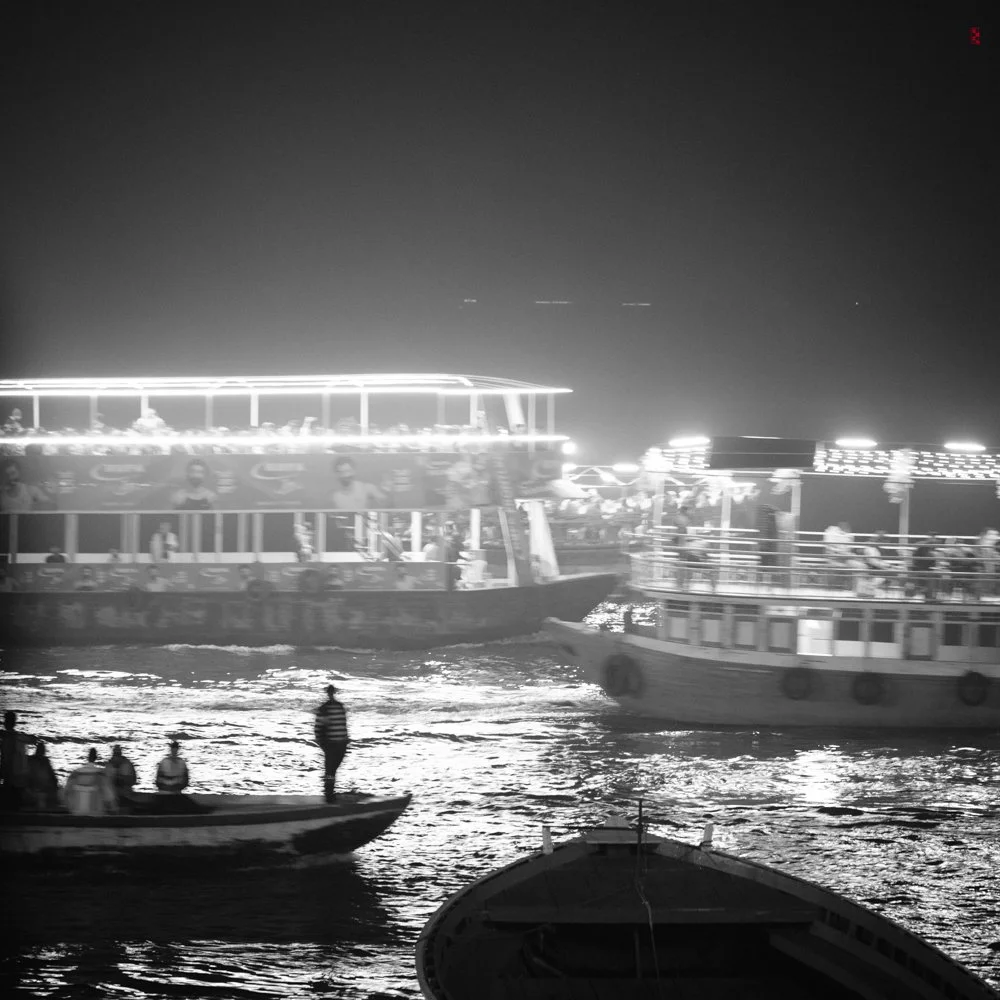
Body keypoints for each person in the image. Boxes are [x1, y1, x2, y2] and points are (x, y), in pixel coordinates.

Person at [314, 684, 349, 803]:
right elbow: (319, 729)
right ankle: (329, 794)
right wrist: (324, 745)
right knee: (331, 770)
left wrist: (345, 740)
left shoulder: (334, 707)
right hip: (333, 745)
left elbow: (343, 725)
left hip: (339, 744)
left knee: (331, 770)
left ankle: (329, 793)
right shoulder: (327, 708)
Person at [64, 748, 117, 815]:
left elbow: (65, 793)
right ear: (96, 758)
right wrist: (114, 810)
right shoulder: (100, 775)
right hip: (95, 815)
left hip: (76, 813)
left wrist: (70, 807)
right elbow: (110, 799)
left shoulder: (75, 773)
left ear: (87, 757)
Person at [1, 710, 35, 810]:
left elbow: (32, 740)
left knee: (10, 794)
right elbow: (33, 740)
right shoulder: (16, 737)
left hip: (12, 773)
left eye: (5, 721)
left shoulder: (12, 737)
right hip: (14, 773)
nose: (4, 723)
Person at [26, 742, 60, 810]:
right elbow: (29, 775)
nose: (42, 752)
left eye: (42, 750)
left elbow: (52, 775)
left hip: (43, 787)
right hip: (35, 786)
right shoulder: (32, 760)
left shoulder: (45, 760)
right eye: (41, 750)